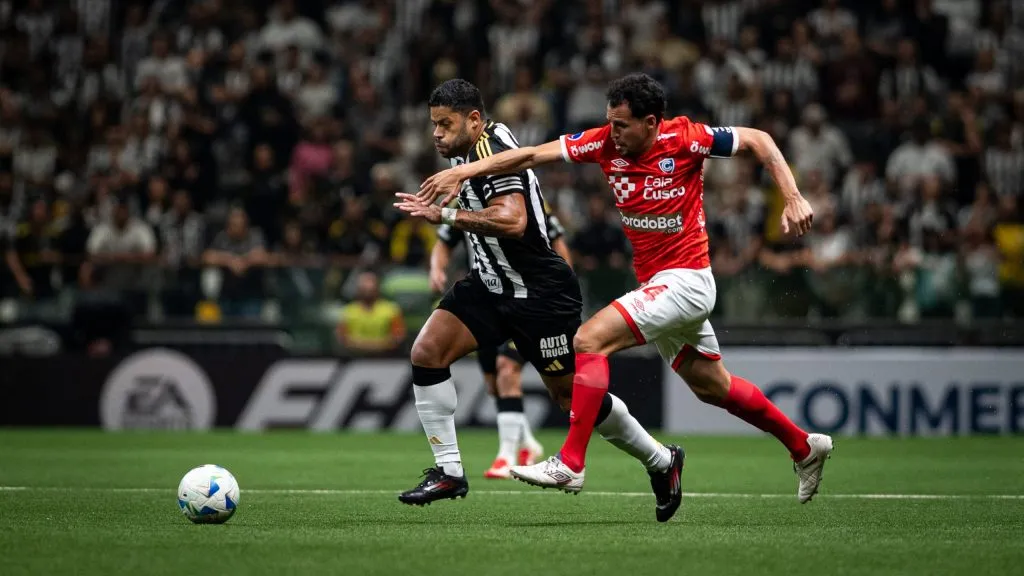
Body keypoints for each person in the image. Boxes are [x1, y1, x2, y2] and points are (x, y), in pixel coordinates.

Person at [419, 73, 832, 504]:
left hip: (688, 280)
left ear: (652, 123)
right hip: (659, 284)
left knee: (589, 340)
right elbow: (531, 156)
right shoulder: (603, 143)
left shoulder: (687, 139)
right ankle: (804, 447)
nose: (612, 134)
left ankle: (571, 464)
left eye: (622, 125)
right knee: (713, 387)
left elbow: (760, 140)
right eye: (609, 123)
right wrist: (467, 170)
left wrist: (793, 196)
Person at [394, 79, 683, 521]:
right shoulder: (461, 158)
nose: (436, 133)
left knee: (570, 398)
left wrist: (447, 214)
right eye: (433, 124)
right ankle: (449, 470)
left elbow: (513, 221)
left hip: (540, 294)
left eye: (445, 124)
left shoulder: (494, 145)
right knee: (427, 351)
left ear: (474, 120)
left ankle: (662, 461)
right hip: (490, 286)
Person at [430, 201, 572, 478]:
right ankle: (528, 443)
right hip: (490, 302)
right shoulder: (468, 204)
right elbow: (444, 241)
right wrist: (437, 269)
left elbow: (558, 243)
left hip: (530, 301)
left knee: (508, 369)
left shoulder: (527, 203)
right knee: (495, 385)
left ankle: (505, 458)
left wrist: (560, 287)